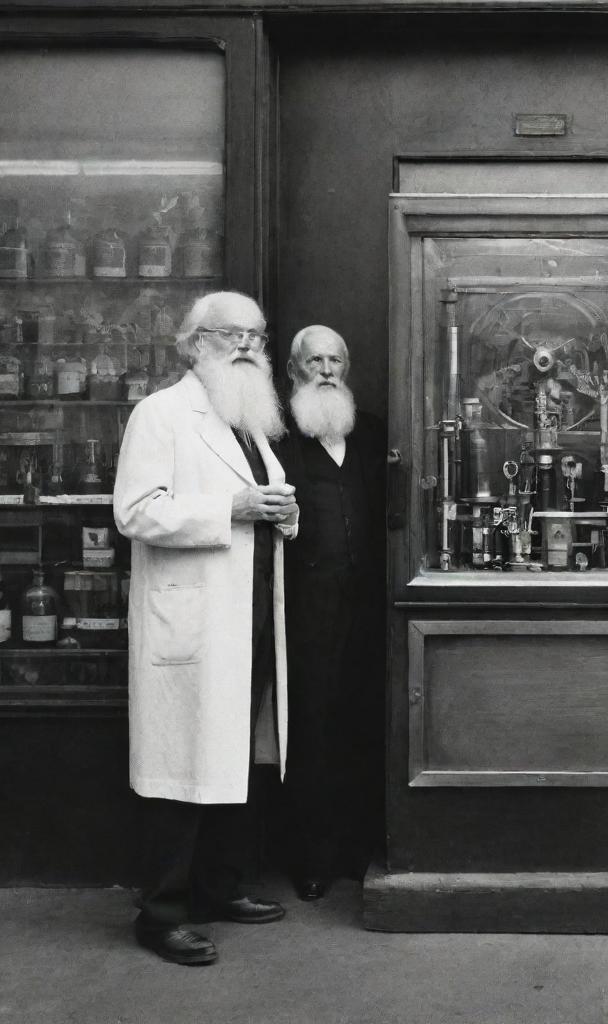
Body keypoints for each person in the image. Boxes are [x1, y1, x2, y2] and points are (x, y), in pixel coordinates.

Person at [114, 291, 298, 966]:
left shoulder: (250, 420)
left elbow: (266, 504)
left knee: (236, 761)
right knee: (179, 769)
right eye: (231, 334)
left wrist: (281, 511)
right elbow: (136, 512)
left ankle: (219, 890)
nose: (248, 345)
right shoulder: (161, 414)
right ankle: (161, 915)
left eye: (257, 334)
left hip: (247, 614)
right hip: (192, 620)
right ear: (195, 344)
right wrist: (238, 506)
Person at [275, 324, 386, 900]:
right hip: (304, 604)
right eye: (314, 360)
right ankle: (313, 857)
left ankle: (354, 849)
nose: (325, 370)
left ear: (347, 369)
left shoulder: (369, 433)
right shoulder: (276, 439)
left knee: (361, 719)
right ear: (294, 370)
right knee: (311, 726)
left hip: (367, 603)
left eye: (335, 360)